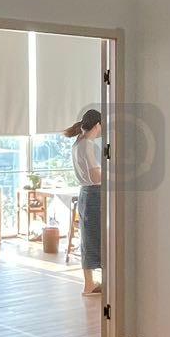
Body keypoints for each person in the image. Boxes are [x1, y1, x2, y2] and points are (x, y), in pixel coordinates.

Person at [65, 109, 105, 296]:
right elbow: (96, 176)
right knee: (97, 237)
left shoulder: (78, 143)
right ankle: (92, 284)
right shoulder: (88, 145)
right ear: (97, 125)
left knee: (88, 238)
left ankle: (90, 283)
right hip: (94, 193)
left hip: (85, 193)